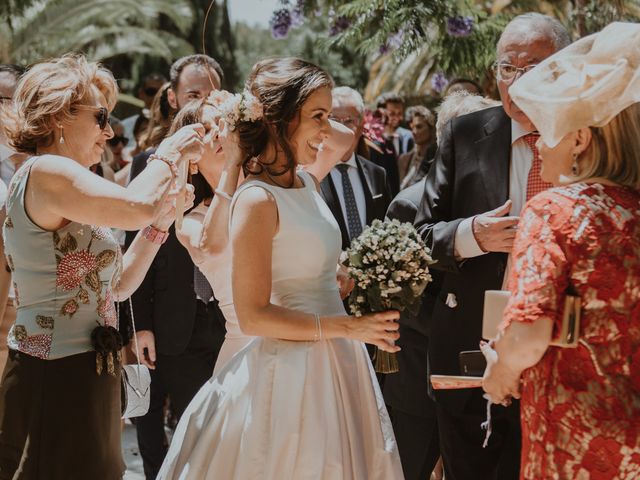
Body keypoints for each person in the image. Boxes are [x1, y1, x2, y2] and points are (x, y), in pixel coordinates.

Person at [158, 57, 403, 479]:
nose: (327, 130)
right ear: (280, 119)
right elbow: (253, 316)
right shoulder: (256, 200)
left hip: (340, 365)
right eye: (318, 117)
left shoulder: (306, 183)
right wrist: (350, 328)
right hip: (291, 374)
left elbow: (342, 140)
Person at [0, 54, 201, 479]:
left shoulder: (69, 184)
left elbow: (120, 286)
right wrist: (169, 150)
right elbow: (135, 206)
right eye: (101, 116)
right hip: (54, 375)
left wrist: (159, 225)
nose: (109, 132)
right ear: (59, 116)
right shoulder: (45, 171)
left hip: (91, 374)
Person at [414, 12, 571, 480]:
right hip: (470, 357)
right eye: (508, 68)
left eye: (533, 68)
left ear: (563, 70)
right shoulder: (464, 135)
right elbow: (420, 237)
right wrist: (471, 236)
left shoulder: (591, 139)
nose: (518, 82)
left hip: (561, 355)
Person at [482, 22, 640, 480]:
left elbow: (528, 335)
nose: (539, 146)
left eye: (548, 132)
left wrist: (500, 375)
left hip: (576, 444)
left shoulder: (554, 211)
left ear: (580, 139)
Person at [173, 94, 353, 374]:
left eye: (223, 124)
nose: (219, 135)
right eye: (206, 131)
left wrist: (259, 106)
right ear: (192, 162)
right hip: (247, 353)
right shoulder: (190, 221)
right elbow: (212, 247)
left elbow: (342, 140)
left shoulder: (281, 187)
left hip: (303, 337)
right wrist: (232, 165)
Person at [384, 92, 499, 480]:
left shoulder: (503, 200)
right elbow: (404, 298)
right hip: (420, 378)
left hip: (485, 378)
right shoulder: (408, 204)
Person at [126, 54, 227, 480]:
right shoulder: (152, 162)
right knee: (158, 430)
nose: (204, 105)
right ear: (172, 99)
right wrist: (139, 323)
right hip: (169, 319)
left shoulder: (234, 168)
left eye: (212, 95)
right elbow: (137, 244)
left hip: (221, 323)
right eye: (194, 95)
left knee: (207, 434)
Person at [321, 86, 391, 251]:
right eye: (335, 120)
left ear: (361, 125)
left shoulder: (377, 174)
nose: (342, 127)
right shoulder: (310, 176)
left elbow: (387, 225)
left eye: (349, 121)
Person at [121, 73, 167, 151]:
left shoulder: (174, 127)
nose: (157, 97)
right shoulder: (125, 126)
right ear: (141, 93)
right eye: (151, 91)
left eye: (162, 93)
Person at [397, 106, 436, 190]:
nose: (414, 132)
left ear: (430, 128)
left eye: (419, 127)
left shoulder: (437, 159)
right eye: (412, 128)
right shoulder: (404, 159)